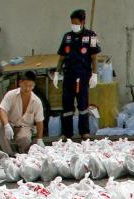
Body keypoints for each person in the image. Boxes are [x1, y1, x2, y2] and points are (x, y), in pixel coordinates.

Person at [56, 9, 100, 139]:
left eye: (76, 23)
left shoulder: (91, 36)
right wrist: (57, 72)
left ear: (83, 22)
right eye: (72, 23)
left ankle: (84, 132)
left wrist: (95, 74)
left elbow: (94, 58)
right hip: (69, 75)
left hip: (83, 75)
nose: (74, 26)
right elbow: (61, 57)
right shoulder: (67, 36)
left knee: (83, 104)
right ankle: (67, 133)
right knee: (67, 105)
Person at [0, 71, 44, 155]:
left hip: (25, 127)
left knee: (25, 138)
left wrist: (39, 139)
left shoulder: (37, 101)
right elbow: (2, 109)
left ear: (34, 86)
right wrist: (7, 125)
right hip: (10, 124)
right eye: (25, 85)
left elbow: (39, 121)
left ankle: (23, 154)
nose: (27, 89)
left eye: (30, 86)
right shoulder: (11, 94)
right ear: (20, 83)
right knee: (1, 128)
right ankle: (9, 154)